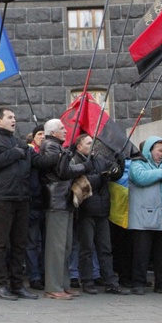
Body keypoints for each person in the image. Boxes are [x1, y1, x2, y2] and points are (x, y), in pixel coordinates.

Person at [0, 108, 50, 301]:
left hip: (22, 198)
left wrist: (55, 149)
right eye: (10, 117)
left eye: (15, 117)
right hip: (2, 197)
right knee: (1, 243)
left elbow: (40, 161)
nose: (14, 120)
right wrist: (15, 153)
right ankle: (0, 284)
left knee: (20, 243)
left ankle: (17, 284)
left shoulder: (21, 143)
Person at [39, 119, 90, 300]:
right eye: (62, 129)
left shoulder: (57, 147)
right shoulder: (51, 146)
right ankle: (53, 286)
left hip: (63, 200)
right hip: (56, 200)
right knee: (57, 247)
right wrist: (83, 166)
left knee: (65, 246)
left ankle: (63, 284)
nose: (66, 131)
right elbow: (63, 171)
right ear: (53, 132)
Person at [72, 133, 128, 295]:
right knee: (86, 248)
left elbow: (115, 174)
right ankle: (87, 281)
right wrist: (102, 177)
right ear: (79, 147)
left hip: (102, 210)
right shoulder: (76, 161)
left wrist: (119, 162)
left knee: (105, 249)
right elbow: (81, 184)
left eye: (92, 143)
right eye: (88, 143)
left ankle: (111, 282)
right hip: (86, 211)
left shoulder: (99, 159)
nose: (92, 146)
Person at [128, 136, 162, 296]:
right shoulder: (138, 164)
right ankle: (138, 283)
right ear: (149, 150)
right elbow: (140, 178)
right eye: (159, 150)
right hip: (143, 218)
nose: (161, 154)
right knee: (141, 254)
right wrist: (161, 172)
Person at [26, 124, 46, 290]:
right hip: (33, 203)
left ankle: (45, 273)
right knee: (33, 242)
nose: (43, 137)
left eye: (45, 134)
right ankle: (34, 276)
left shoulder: (51, 153)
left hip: (48, 204)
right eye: (40, 134)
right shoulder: (30, 152)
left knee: (45, 243)